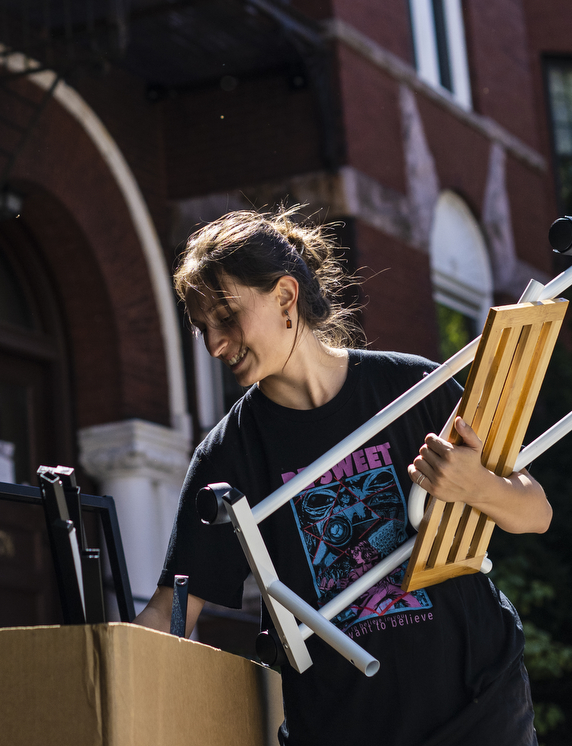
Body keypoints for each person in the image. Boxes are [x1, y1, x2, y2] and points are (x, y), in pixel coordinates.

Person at [135, 208, 550, 746]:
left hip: (480, 708)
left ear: (285, 298)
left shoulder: (413, 388)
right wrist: (95, 667)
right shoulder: (227, 456)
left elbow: (535, 512)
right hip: (340, 728)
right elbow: (172, 611)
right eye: (202, 328)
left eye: (227, 317)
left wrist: (480, 487)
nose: (215, 344)